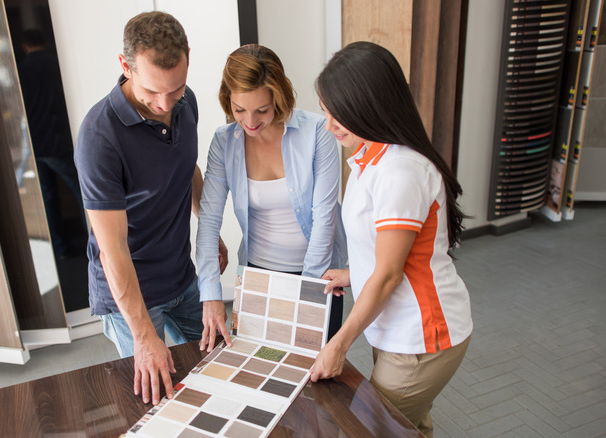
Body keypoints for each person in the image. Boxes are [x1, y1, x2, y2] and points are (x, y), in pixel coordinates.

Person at [310, 41, 473, 438]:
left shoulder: (400, 170)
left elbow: (388, 275)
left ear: (371, 105)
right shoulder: (373, 155)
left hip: (421, 337)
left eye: (339, 115)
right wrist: (354, 273)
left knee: (371, 429)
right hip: (396, 329)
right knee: (409, 426)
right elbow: (387, 251)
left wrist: (338, 345)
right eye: (326, 112)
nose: (329, 126)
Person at [74, 11, 226, 406]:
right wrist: (144, 336)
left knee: (220, 365)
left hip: (181, 277)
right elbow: (112, 250)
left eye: (174, 90)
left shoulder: (184, 103)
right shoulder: (99, 137)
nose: (164, 104)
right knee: (160, 398)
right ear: (125, 67)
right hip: (133, 296)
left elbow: (184, 166)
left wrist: (210, 230)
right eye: (152, 92)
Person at [196, 44, 346, 352]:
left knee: (314, 373)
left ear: (278, 97)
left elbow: (324, 217)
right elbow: (209, 220)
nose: (250, 121)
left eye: (262, 110)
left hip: (317, 274)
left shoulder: (317, 133)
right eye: (239, 110)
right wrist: (210, 293)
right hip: (256, 277)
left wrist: (308, 291)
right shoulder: (224, 143)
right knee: (257, 366)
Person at [17, 29, 86, 259]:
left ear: (25, 46)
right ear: (45, 43)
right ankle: (95, 245)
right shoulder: (56, 64)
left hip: (36, 142)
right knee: (83, 192)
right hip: (57, 139)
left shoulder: (22, 70)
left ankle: (60, 248)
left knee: (48, 197)